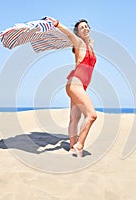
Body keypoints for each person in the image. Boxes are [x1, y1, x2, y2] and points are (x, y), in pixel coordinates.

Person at [47, 17, 97, 157]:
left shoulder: (90, 47)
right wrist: (57, 24)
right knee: (92, 115)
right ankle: (79, 145)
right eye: (82, 28)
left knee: (74, 119)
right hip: (75, 83)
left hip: (79, 86)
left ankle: (72, 148)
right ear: (78, 33)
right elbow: (69, 34)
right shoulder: (79, 43)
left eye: (87, 26)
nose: (85, 28)